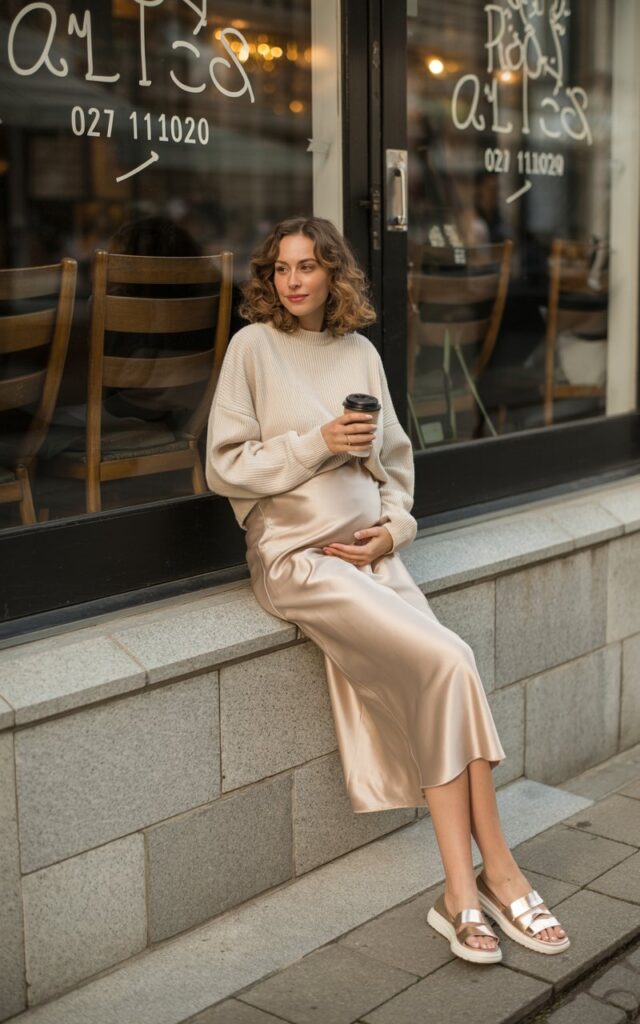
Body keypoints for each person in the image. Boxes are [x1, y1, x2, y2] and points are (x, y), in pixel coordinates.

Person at [205, 216, 569, 964]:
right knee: (450, 660)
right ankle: (494, 873)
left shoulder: (360, 353)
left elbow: (396, 466)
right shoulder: (252, 349)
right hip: (299, 557)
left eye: (309, 266)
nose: (294, 280)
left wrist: (393, 532)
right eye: (280, 268)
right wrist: (317, 444)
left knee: (445, 671)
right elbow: (224, 467)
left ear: (335, 274)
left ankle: (463, 895)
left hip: (368, 554)